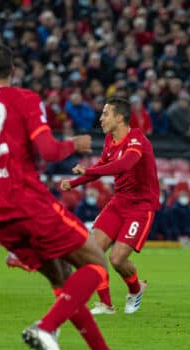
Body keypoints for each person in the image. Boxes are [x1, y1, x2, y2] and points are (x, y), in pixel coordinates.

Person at [0, 43, 148, 350]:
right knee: (98, 263)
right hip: (28, 203)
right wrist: (74, 145)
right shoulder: (24, 99)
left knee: (64, 284)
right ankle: (46, 328)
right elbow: (49, 150)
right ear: (12, 71)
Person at [61, 97, 160, 315]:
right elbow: (101, 167)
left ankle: (136, 289)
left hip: (141, 207)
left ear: (119, 117)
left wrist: (87, 171)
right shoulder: (109, 140)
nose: (101, 118)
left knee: (117, 259)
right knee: (92, 252)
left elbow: (124, 164)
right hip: (119, 202)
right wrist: (74, 183)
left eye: (106, 113)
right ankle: (106, 304)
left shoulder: (136, 140)